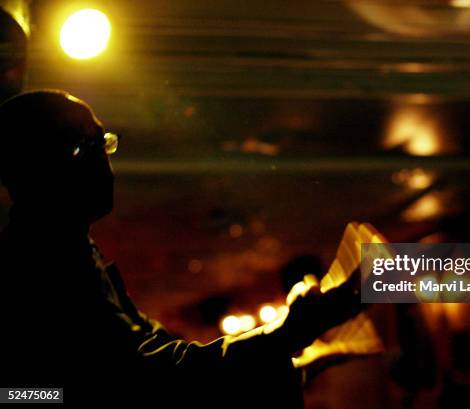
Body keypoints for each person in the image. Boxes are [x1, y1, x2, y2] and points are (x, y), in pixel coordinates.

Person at [0, 90, 363, 406]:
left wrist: (290, 357)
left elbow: (149, 352)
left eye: (105, 143)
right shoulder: (41, 263)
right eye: (85, 148)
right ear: (35, 166)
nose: (106, 164)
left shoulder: (70, 246)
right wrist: (287, 334)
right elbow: (138, 380)